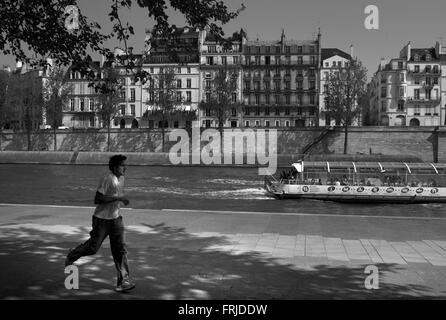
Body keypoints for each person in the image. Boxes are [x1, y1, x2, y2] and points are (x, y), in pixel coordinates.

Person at [65, 154, 135, 293]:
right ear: (115, 167)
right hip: (101, 220)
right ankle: (72, 255)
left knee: (120, 250)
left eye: (125, 165)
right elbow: (98, 199)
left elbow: (114, 198)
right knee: (92, 248)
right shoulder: (107, 178)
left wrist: (119, 200)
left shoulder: (121, 179)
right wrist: (119, 198)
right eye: (122, 165)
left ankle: (123, 281)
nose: (125, 168)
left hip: (116, 220)